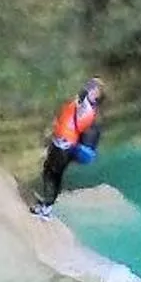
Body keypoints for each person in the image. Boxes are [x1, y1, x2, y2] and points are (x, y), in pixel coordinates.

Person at [32, 78, 106, 216]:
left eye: (93, 89)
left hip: (65, 146)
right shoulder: (82, 104)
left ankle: (47, 207)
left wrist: (87, 92)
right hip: (61, 143)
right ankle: (47, 202)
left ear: (96, 95)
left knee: (52, 174)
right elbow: (67, 114)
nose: (89, 89)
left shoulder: (87, 109)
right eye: (90, 87)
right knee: (51, 171)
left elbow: (80, 112)